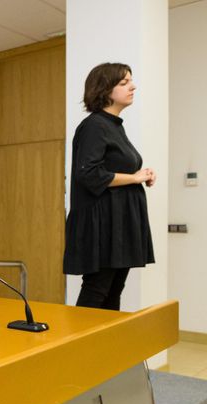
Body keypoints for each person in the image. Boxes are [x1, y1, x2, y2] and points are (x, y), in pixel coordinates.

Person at [63, 63, 156, 310]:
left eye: (131, 81)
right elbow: (89, 174)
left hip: (120, 222)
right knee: (97, 290)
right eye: (124, 83)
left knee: (113, 291)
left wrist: (141, 174)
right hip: (104, 223)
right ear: (105, 89)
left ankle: (105, 349)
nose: (132, 86)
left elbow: (113, 168)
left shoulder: (114, 126)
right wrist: (134, 178)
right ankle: (81, 348)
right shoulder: (95, 125)